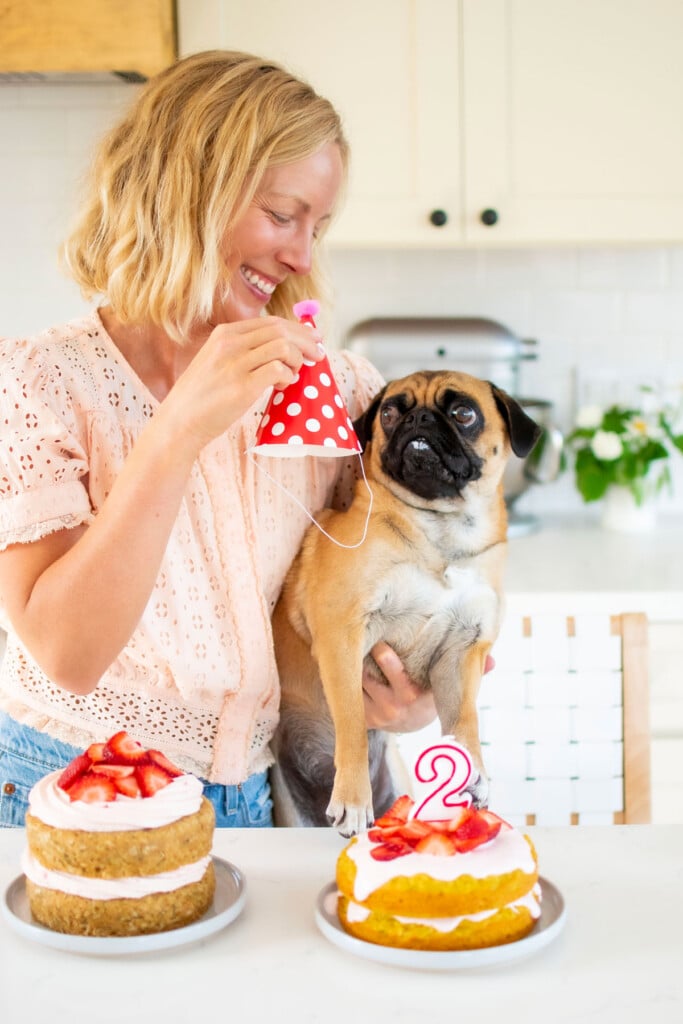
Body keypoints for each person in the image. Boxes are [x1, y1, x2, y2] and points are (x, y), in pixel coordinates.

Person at [0, 50, 440, 829]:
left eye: (317, 225)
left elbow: (405, 595)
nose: (301, 255)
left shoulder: (338, 394)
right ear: (185, 194)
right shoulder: (38, 383)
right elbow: (67, 653)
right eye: (280, 214)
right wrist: (176, 433)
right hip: (77, 785)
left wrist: (406, 695)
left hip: (282, 794)